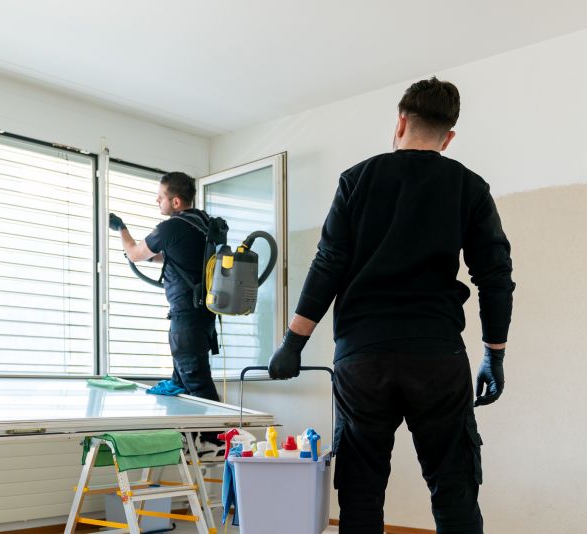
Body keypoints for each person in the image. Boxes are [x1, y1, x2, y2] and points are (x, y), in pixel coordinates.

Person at [268, 77, 515, 533]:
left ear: (400, 122)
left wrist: (293, 342)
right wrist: (493, 356)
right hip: (437, 356)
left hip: (363, 359)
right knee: (454, 487)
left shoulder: (357, 179)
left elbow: (328, 266)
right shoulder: (469, 187)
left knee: (361, 492)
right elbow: (495, 278)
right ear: (449, 137)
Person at [108, 171, 220, 404]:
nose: (157, 200)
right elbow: (180, 258)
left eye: (160, 197)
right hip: (204, 317)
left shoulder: (171, 228)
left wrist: (121, 228)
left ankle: (217, 439)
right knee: (183, 384)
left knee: (198, 386)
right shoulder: (204, 223)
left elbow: (134, 253)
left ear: (176, 201)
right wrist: (152, 256)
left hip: (186, 319)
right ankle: (194, 438)